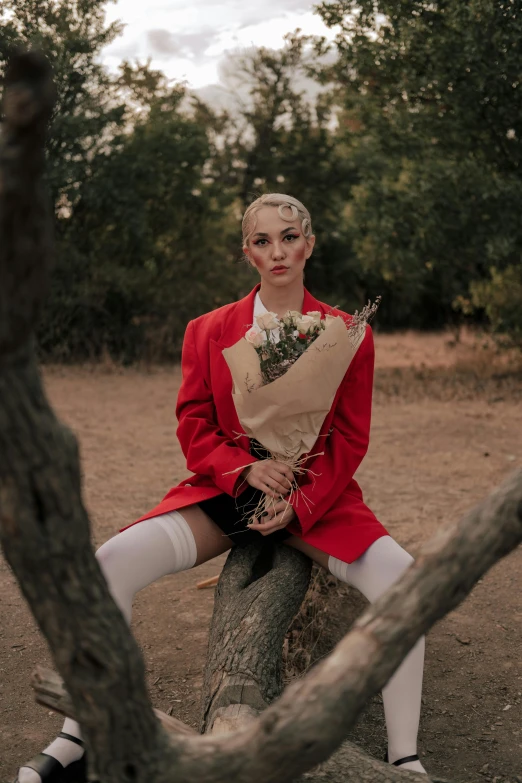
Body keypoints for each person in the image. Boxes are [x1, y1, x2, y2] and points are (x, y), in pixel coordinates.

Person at [17, 193, 427, 782]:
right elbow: (194, 424)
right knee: (109, 562)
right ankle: (79, 736)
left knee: (403, 581)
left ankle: (406, 760)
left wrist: (298, 503)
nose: (278, 250)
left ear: (309, 244)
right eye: (263, 241)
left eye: (290, 237)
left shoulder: (348, 333)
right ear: (247, 253)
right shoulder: (206, 330)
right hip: (225, 492)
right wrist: (244, 471)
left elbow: (350, 439)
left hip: (315, 499)